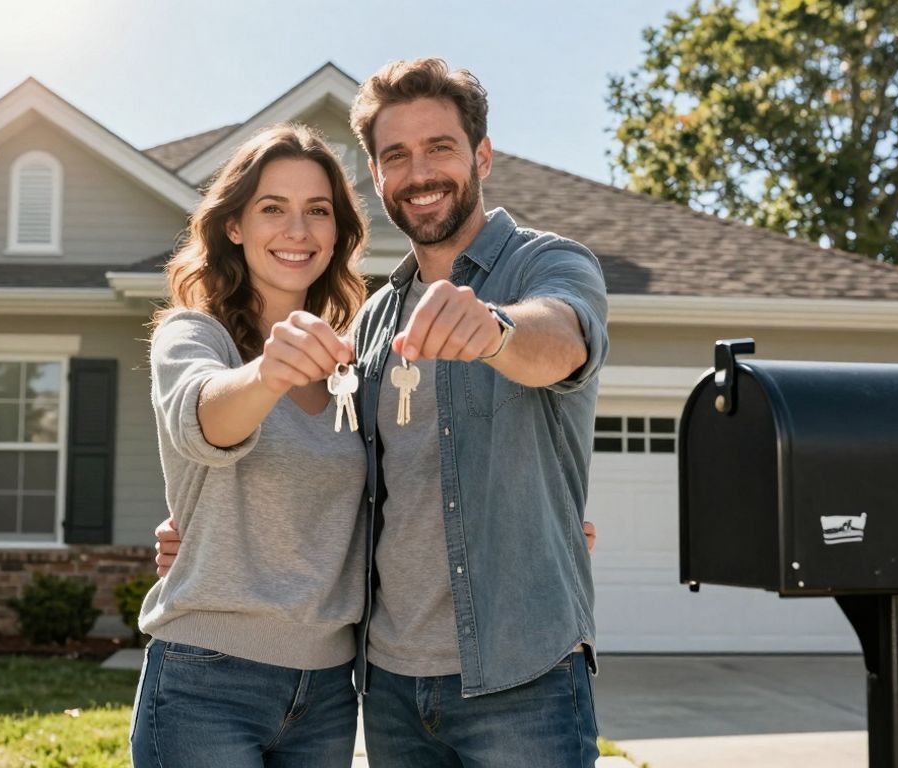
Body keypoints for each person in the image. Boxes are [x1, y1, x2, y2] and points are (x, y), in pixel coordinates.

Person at [154, 58, 609, 767]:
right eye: (397, 155)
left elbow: (563, 339)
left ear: (482, 155)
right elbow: (353, 483)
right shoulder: (367, 326)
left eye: (441, 148)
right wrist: (206, 535)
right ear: (377, 174)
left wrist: (496, 331)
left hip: (525, 673)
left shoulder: (548, 266)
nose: (420, 172)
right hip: (390, 685)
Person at [130, 123, 370, 768]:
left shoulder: (353, 364)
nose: (298, 230)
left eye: (317, 211)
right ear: (233, 226)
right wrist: (269, 371)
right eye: (273, 208)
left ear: (337, 233)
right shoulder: (193, 334)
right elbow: (204, 418)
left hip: (328, 687)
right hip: (205, 678)